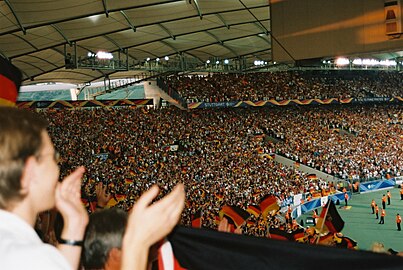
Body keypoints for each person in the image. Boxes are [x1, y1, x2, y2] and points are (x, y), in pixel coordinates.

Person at [0, 107, 88, 269]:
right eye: (53, 156)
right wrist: (136, 243)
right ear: (30, 171)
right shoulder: (31, 257)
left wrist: (75, 225)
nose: (57, 166)